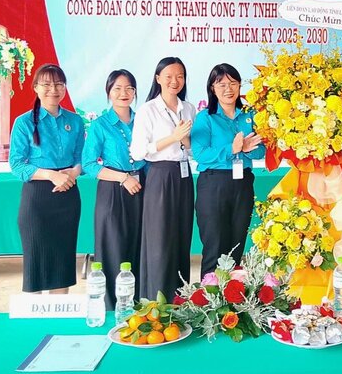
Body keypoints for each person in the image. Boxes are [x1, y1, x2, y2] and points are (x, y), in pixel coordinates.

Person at [9, 64, 84, 293]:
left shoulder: (76, 121)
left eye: (59, 84)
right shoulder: (24, 123)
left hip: (68, 196)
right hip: (37, 198)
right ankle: (35, 325)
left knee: (62, 262)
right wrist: (51, 175)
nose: (53, 89)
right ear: (36, 88)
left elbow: (81, 157)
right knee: (36, 263)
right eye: (47, 84)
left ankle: (58, 322)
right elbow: (17, 164)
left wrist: (73, 173)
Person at [130, 57, 197, 300]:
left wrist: (186, 140)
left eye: (179, 76)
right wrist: (174, 136)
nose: (174, 81)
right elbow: (138, 151)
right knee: (159, 240)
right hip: (160, 176)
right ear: (158, 79)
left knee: (181, 237)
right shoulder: (148, 110)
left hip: (184, 175)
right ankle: (156, 300)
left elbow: (192, 149)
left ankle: (180, 298)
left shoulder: (189, 108)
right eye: (168, 76)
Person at [191, 64, 264, 276]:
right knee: (215, 246)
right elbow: (200, 154)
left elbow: (262, 152)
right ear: (212, 88)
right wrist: (231, 149)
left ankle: (233, 301)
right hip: (214, 184)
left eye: (232, 83)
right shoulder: (206, 117)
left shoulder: (249, 116)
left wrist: (249, 151)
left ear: (240, 85)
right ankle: (208, 300)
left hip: (242, 184)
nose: (228, 89)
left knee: (236, 244)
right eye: (221, 84)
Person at [82, 69, 146, 309]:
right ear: (108, 92)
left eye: (129, 88)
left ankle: (139, 304)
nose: (123, 93)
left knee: (140, 246)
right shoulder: (100, 125)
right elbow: (89, 164)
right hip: (112, 192)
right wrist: (122, 178)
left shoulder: (144, 120)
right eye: (117, 88)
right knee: (113, 248)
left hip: (143, 189)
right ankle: (110, 307)